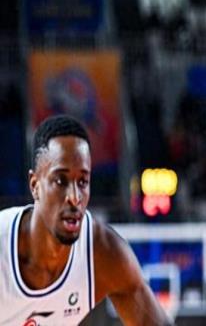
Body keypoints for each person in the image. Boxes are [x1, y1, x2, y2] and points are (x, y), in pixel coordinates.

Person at [0, 115, 172, 326]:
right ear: (35, 185)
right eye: (60, 181)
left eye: (83, 181)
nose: (74, 197)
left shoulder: (103, 253)